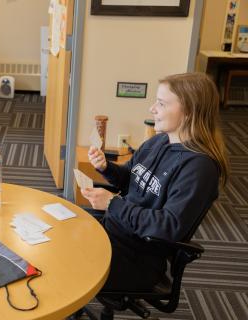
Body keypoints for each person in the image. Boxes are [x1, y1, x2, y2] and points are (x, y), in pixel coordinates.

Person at [81, 72, 228, 292]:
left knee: (66, 262)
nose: (152, 109)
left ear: (188, 111)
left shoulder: (199, 168)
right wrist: (106, 168)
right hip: (115, 230)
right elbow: (129, 180)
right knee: (58, 230)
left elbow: (167, 227)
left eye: (161, 103)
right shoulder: (158, 141)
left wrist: (113, 204)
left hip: (139, 257)